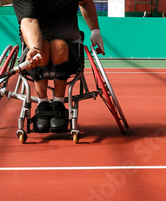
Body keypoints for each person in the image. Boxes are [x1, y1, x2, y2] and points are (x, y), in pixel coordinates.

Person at [12, 0, 104, 133]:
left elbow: (85, 2)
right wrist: (35, 48)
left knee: (59, 46)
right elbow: (29, 21)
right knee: (42, 50)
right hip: (35, 41)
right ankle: (42, 103)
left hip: (69, 43)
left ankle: (58, 103)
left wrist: (95, 32)